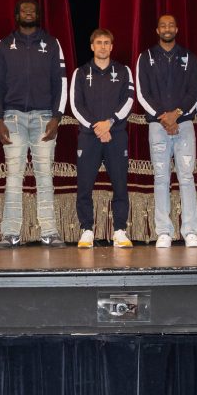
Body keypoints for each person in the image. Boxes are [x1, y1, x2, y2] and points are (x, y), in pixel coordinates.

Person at [0, 0, 67, 248]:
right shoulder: (4, 45)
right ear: (16, 15)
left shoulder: (52, 43)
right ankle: (10, 233)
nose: (28, 13)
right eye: (24, 10)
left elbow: (61, 82)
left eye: (32, 11)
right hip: (12, 117)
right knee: (14, 176)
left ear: (38, 15)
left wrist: (57, 116)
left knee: (45, 176)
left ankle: (49, 232)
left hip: (45, 117)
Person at [136, 14, 197, 247]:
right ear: (157, 29)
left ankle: (190, 231)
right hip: (157, 125)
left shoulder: (189, 57)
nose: (167, 28)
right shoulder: (146, 57)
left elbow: (195, 91)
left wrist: (176, 114)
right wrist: (163, 117)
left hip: (183, 124)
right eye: (163, 25)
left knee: (186, 177)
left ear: (177, 28)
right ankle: (163, 230)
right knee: (161, 177)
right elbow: (142, 93)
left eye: (171, 25)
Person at [69, 29, 135, 249]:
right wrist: (96, 127)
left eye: (107, 42)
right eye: (99, 43)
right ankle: (87, 230)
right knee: (84, 185)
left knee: (120, 185)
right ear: (92, 46)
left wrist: (110, 122)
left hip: (116, 135)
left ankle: (119, 230)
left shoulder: (123, 71)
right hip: (89, 137)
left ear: (112, 46)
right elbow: (76, 105)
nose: (103, 46)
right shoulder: (80, 72)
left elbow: (129, 100)